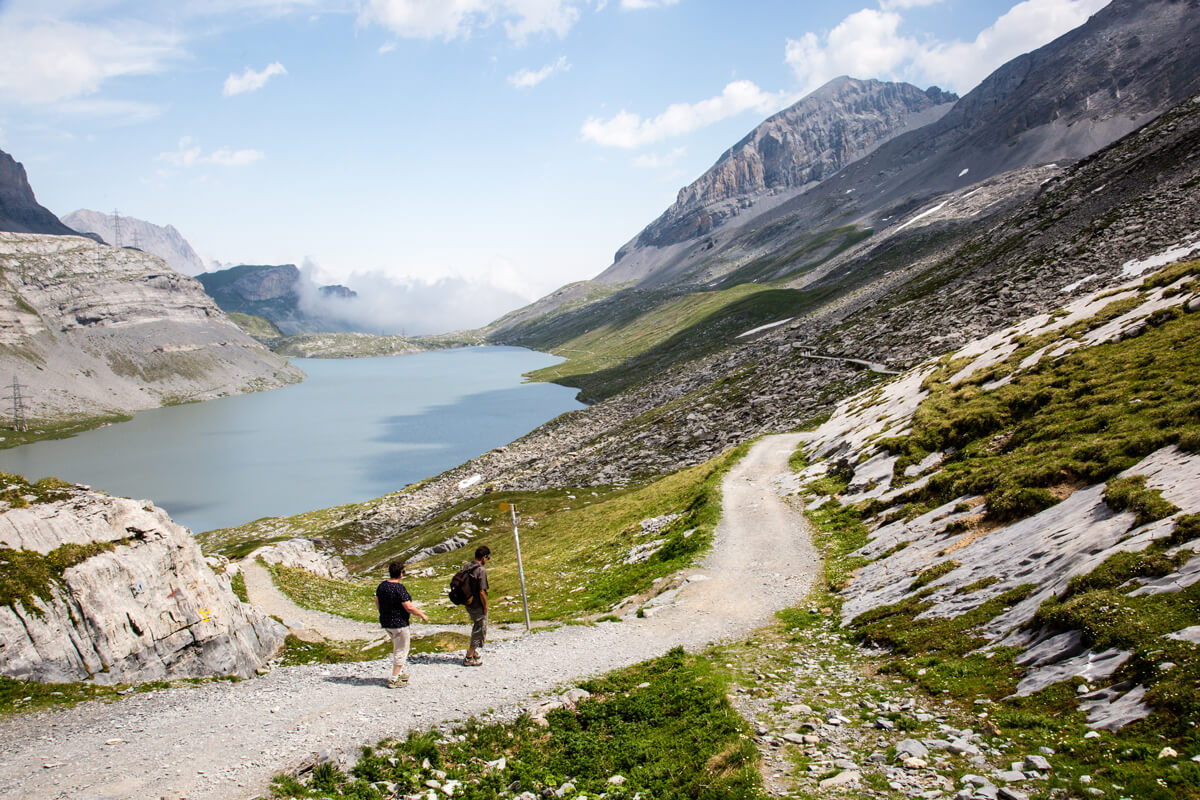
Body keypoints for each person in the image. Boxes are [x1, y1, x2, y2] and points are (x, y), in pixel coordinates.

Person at [375, 561, 428, 688]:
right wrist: (421, 614)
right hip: (399, 623)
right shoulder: (399, 588)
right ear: (400, 574)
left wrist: (383, 613)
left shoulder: (382, 586)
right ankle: (394, 678)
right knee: (401, 650)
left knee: (397, 646)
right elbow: (408, 607)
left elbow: (377, 601)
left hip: (386, 622)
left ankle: (399, 673)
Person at [461, 545, 490, 667]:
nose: (487, 560)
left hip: (468, 601)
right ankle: (469, 656)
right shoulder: (481, 570)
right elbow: (482, 591)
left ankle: (474, 650)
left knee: (477, 625)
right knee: (479, 628)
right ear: (484, 557)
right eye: (488, 558)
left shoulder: (467, 566)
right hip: (477, 603)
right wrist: (485, 606)